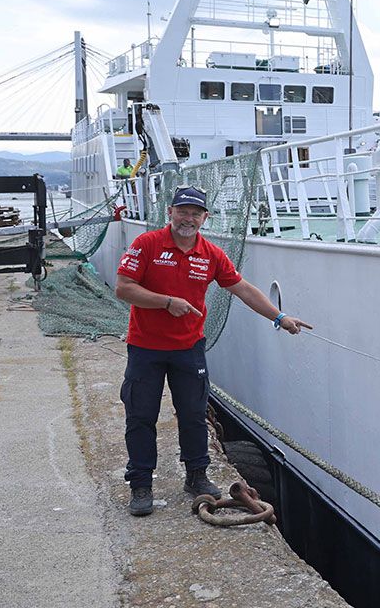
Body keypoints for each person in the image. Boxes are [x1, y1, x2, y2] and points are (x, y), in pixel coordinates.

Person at [114, 185, 311, 516]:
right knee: (140, 416)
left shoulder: (211, 254)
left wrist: (279, 317)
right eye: (182, 211)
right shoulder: (146, 245)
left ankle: (196, 476)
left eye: (195, 213)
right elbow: (124, 288)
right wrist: (166, 302)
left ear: (204, 218)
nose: (188, 219)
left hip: (189, 349)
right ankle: (141, 484)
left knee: (193, 415)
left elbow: (243, 289)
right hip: (146, 348)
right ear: (170, 213)